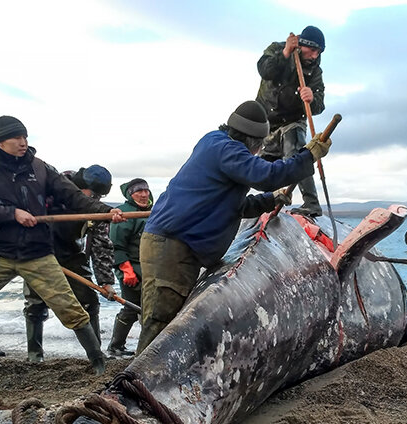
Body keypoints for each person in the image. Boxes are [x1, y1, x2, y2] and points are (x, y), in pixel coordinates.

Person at [136, 100, 330, 353]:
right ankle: (131, 386)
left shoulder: (215, 146)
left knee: (170, 320)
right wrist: (307, 156)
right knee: (160, 323)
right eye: (259, 147)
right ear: (252, 141)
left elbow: (232, 206)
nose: (258, 152)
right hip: (172, 247)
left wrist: (269, 200)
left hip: (177, 246)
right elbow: (267, 176)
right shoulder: (224, 148)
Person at [0, 115, 124, 375]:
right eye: (16, 138)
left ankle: (97, 360)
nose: (23, 143)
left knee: (71, 309)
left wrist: (104, 211)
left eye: (25, 137)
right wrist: (13, 214)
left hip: (37, 252)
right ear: (0, 141)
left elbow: (73, 196)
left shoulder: (41, 167)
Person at [22, 165, 116, 363]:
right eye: (91, 194)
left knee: (89, 301)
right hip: (38, 253)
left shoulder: (95, 209)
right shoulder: (53, 188)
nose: (92, 200)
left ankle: (96, 353)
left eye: (98, 197)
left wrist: (106, 281)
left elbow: (101, 246)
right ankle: (34, 355)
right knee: (35, 304)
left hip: (72, 255)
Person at [256, 26, 326, 217]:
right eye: (312, 50)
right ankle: (268, 202)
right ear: (303, 44)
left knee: (295, 153)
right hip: (266, 121)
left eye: (318, 52)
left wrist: (312, 98)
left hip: (293, 120)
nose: (314, 55)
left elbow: (320, 104)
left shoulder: (315, 72)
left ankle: (311, 203)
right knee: (264, 166)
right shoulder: (278, 49)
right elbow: (265, 70)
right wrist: (286, 52)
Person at [107, 177, 152, 357]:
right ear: (130, 194)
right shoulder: (124, 213)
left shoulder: (154, 211)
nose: (143, 194)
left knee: (151, 307)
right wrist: (127, 271)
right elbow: (116, 245)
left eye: (145, 191)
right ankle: (115, 346)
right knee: (132, 308)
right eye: (138, 191)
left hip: (150, 268)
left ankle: (147, 345)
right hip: (130, 268)